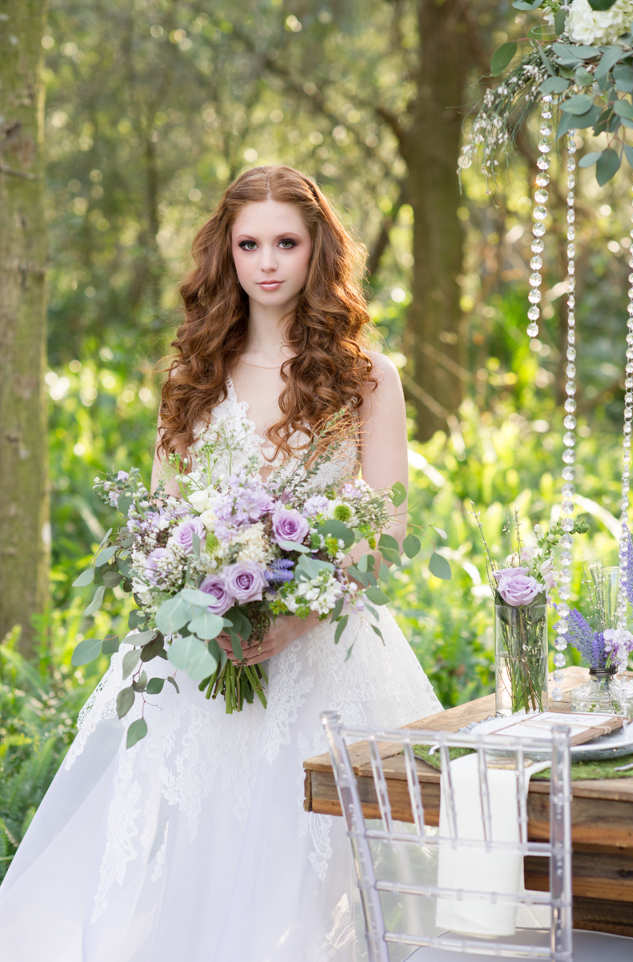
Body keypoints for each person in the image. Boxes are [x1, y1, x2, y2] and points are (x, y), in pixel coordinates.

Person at [0, 164, 440, 961]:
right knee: (192, 845)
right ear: (225, 255)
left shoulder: (368, 379)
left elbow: (382, 532)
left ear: (317, 253)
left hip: (325, 656)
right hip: (203, 655)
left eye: (286, 242)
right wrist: (199, 603)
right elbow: (166, 524)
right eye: (249, 243)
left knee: (312, 862)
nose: (267, 261)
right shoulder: (193, 376)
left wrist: (292, 620)